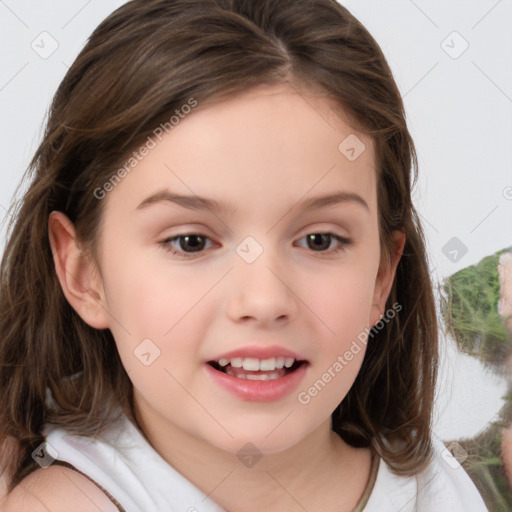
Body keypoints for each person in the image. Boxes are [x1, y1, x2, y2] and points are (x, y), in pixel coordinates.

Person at [0, 0, 489, 510]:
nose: (263, 299)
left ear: (381, 276)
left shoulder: (441, 491)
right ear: (84, 273)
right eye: (190, 241)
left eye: (320, 240)